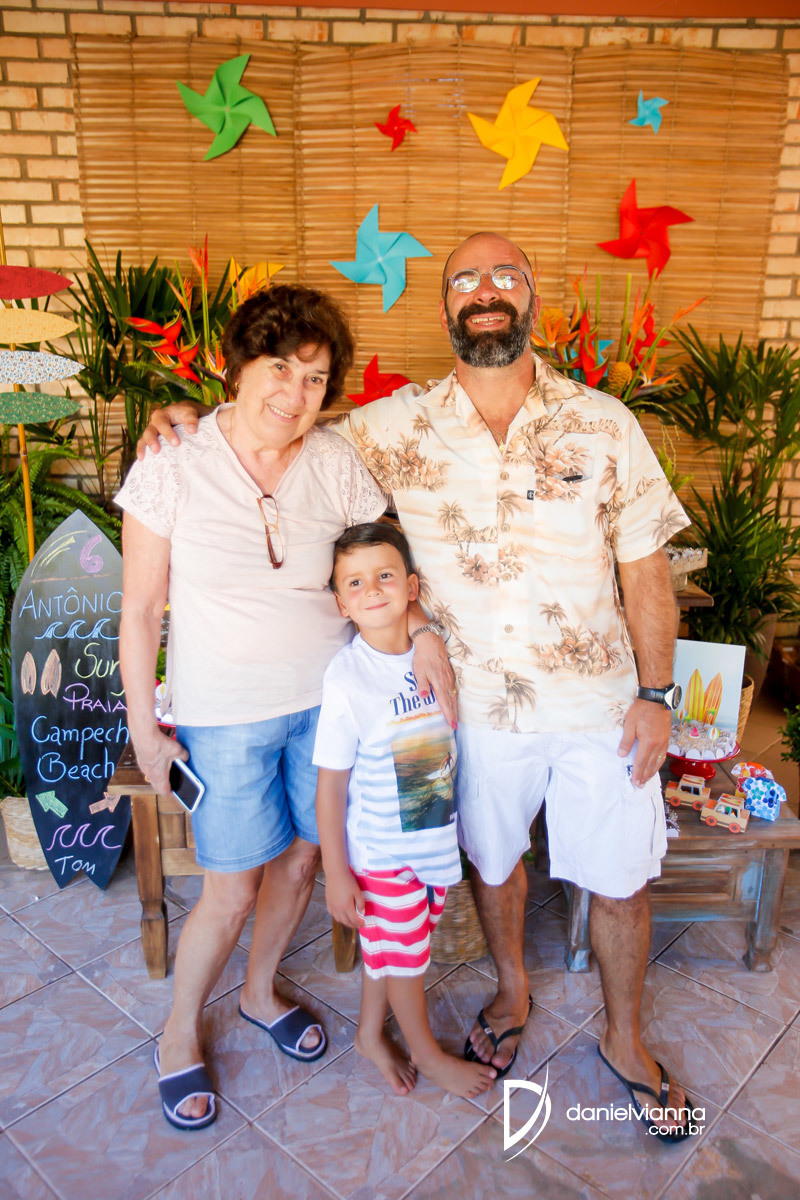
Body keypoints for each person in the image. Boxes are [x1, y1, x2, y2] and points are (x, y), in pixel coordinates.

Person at [139, 233, 696, 1140]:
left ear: (531, 296)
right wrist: (185, 417)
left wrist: (658, 694)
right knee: (493, 863)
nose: (486, 291)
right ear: (446, 308)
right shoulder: (394, 426)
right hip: (467, 711)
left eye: (505, 275)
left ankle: (626, 1039)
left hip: (600, 702)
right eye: (466, 279)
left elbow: (646, 568)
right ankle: (511, 993)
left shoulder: (605, 423)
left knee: (623, 880)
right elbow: (276, 420)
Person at [117, 284, 389, 1130]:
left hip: (327, 708)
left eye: (315, 379)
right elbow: (140, 611)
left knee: (303, 863)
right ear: (238, 366)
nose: (294, 394)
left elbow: (378, 564)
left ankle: (260, 992)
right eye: (280, 368)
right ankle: (176, 1031)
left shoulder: (335, 460)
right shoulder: (172, 461)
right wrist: (145, 733)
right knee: (230, 889)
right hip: (225, 714)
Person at [314, 522, 496, 1100]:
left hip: (432, 842)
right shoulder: (348, 678)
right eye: (355, 582)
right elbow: (330, 786)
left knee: (390, 950)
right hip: (383, 855)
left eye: (385, 575)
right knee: (405, 963)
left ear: (412, 587)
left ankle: (370, 1033)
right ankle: (427, 1053)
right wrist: (337, 871)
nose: (372, 589)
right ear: (341, 602)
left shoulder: (432, 657)